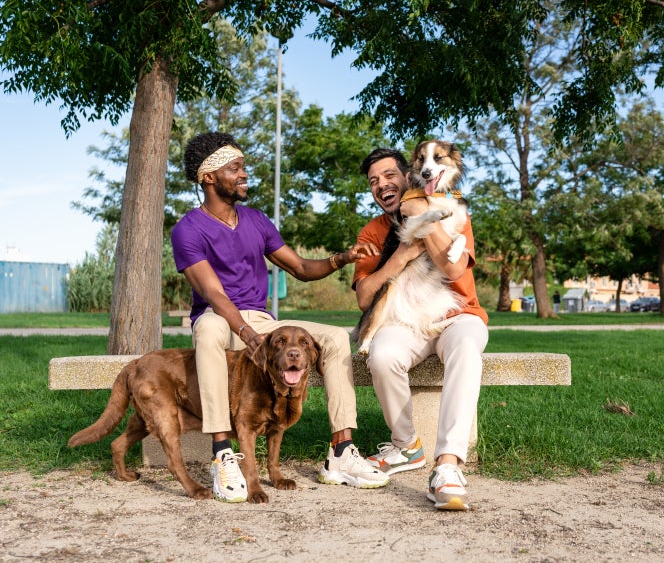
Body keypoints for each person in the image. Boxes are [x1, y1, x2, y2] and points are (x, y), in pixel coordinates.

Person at [171, 132, 389, 503]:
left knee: (336, 337)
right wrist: (244, 331)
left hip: (262, 320)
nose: (244, 174)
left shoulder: (256, 221)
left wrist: (342, 258)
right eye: (234, 168)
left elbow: (302, 267)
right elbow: (214, 294)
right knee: (207, 331)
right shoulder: (187, 230)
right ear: (208, 177)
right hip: (221, 318)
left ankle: (340, 451)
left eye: (243, 166)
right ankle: (222, 453)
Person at [352, 148, 489, 511]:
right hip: (407, 320)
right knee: (381, 356)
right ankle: (406, 446)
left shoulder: (454, 209)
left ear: (409, 176)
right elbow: (365, 299)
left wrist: (422, 215)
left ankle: (447, 465)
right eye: (373, 181)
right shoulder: (373, 230)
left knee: (465, 349)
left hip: (458, 314)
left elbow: (455, 268)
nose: (382, 185)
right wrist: (400, 256)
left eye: (388, 176)